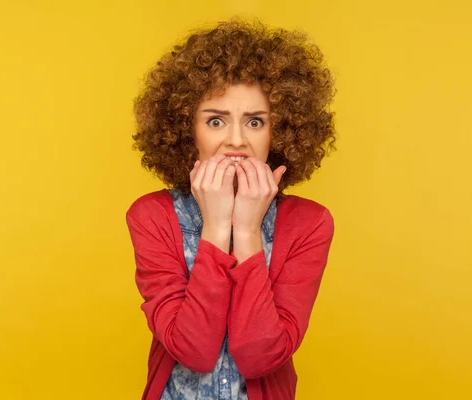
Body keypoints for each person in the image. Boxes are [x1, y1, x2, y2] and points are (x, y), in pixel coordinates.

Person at [126, 18, 336, 400]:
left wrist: (248, 231)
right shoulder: (151, 216)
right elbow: (195, 352)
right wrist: (216, 227)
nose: (236, 141)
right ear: (186, 129)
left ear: (281, 132)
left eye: (255, 121)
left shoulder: (309, 224)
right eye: (216, 121)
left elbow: (260, 357)